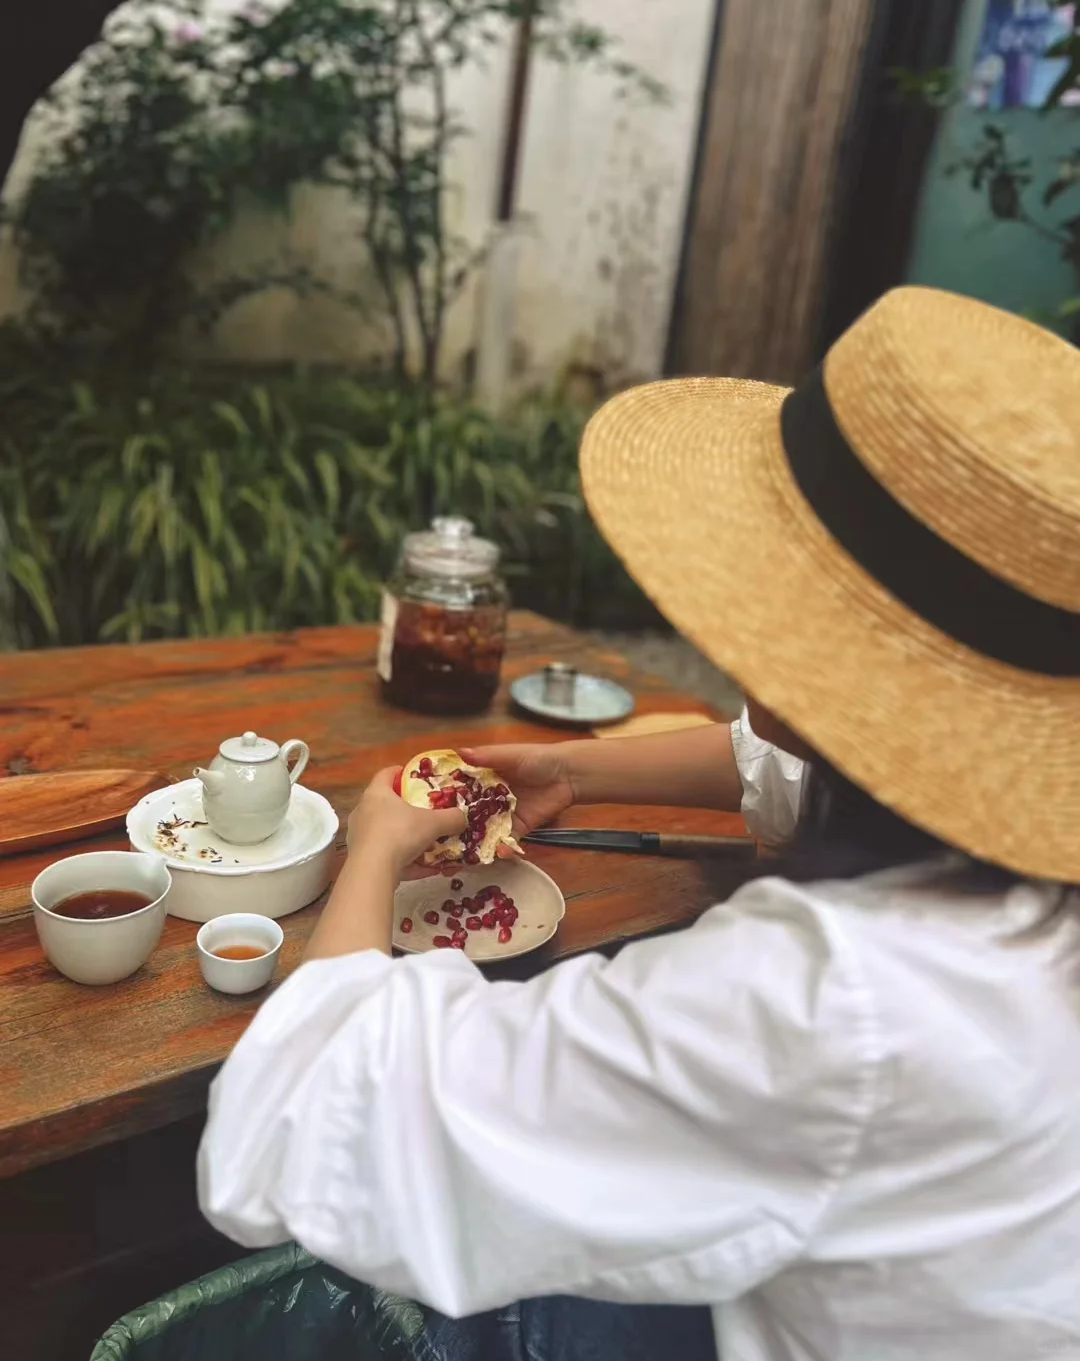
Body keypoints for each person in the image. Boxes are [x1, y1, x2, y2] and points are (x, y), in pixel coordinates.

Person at [198, 287, 1080, 1361]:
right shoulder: (1007, 857)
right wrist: (574, 766)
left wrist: (379, 843)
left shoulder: (833, 1000)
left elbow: (309, 1121)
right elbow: (786, 770)